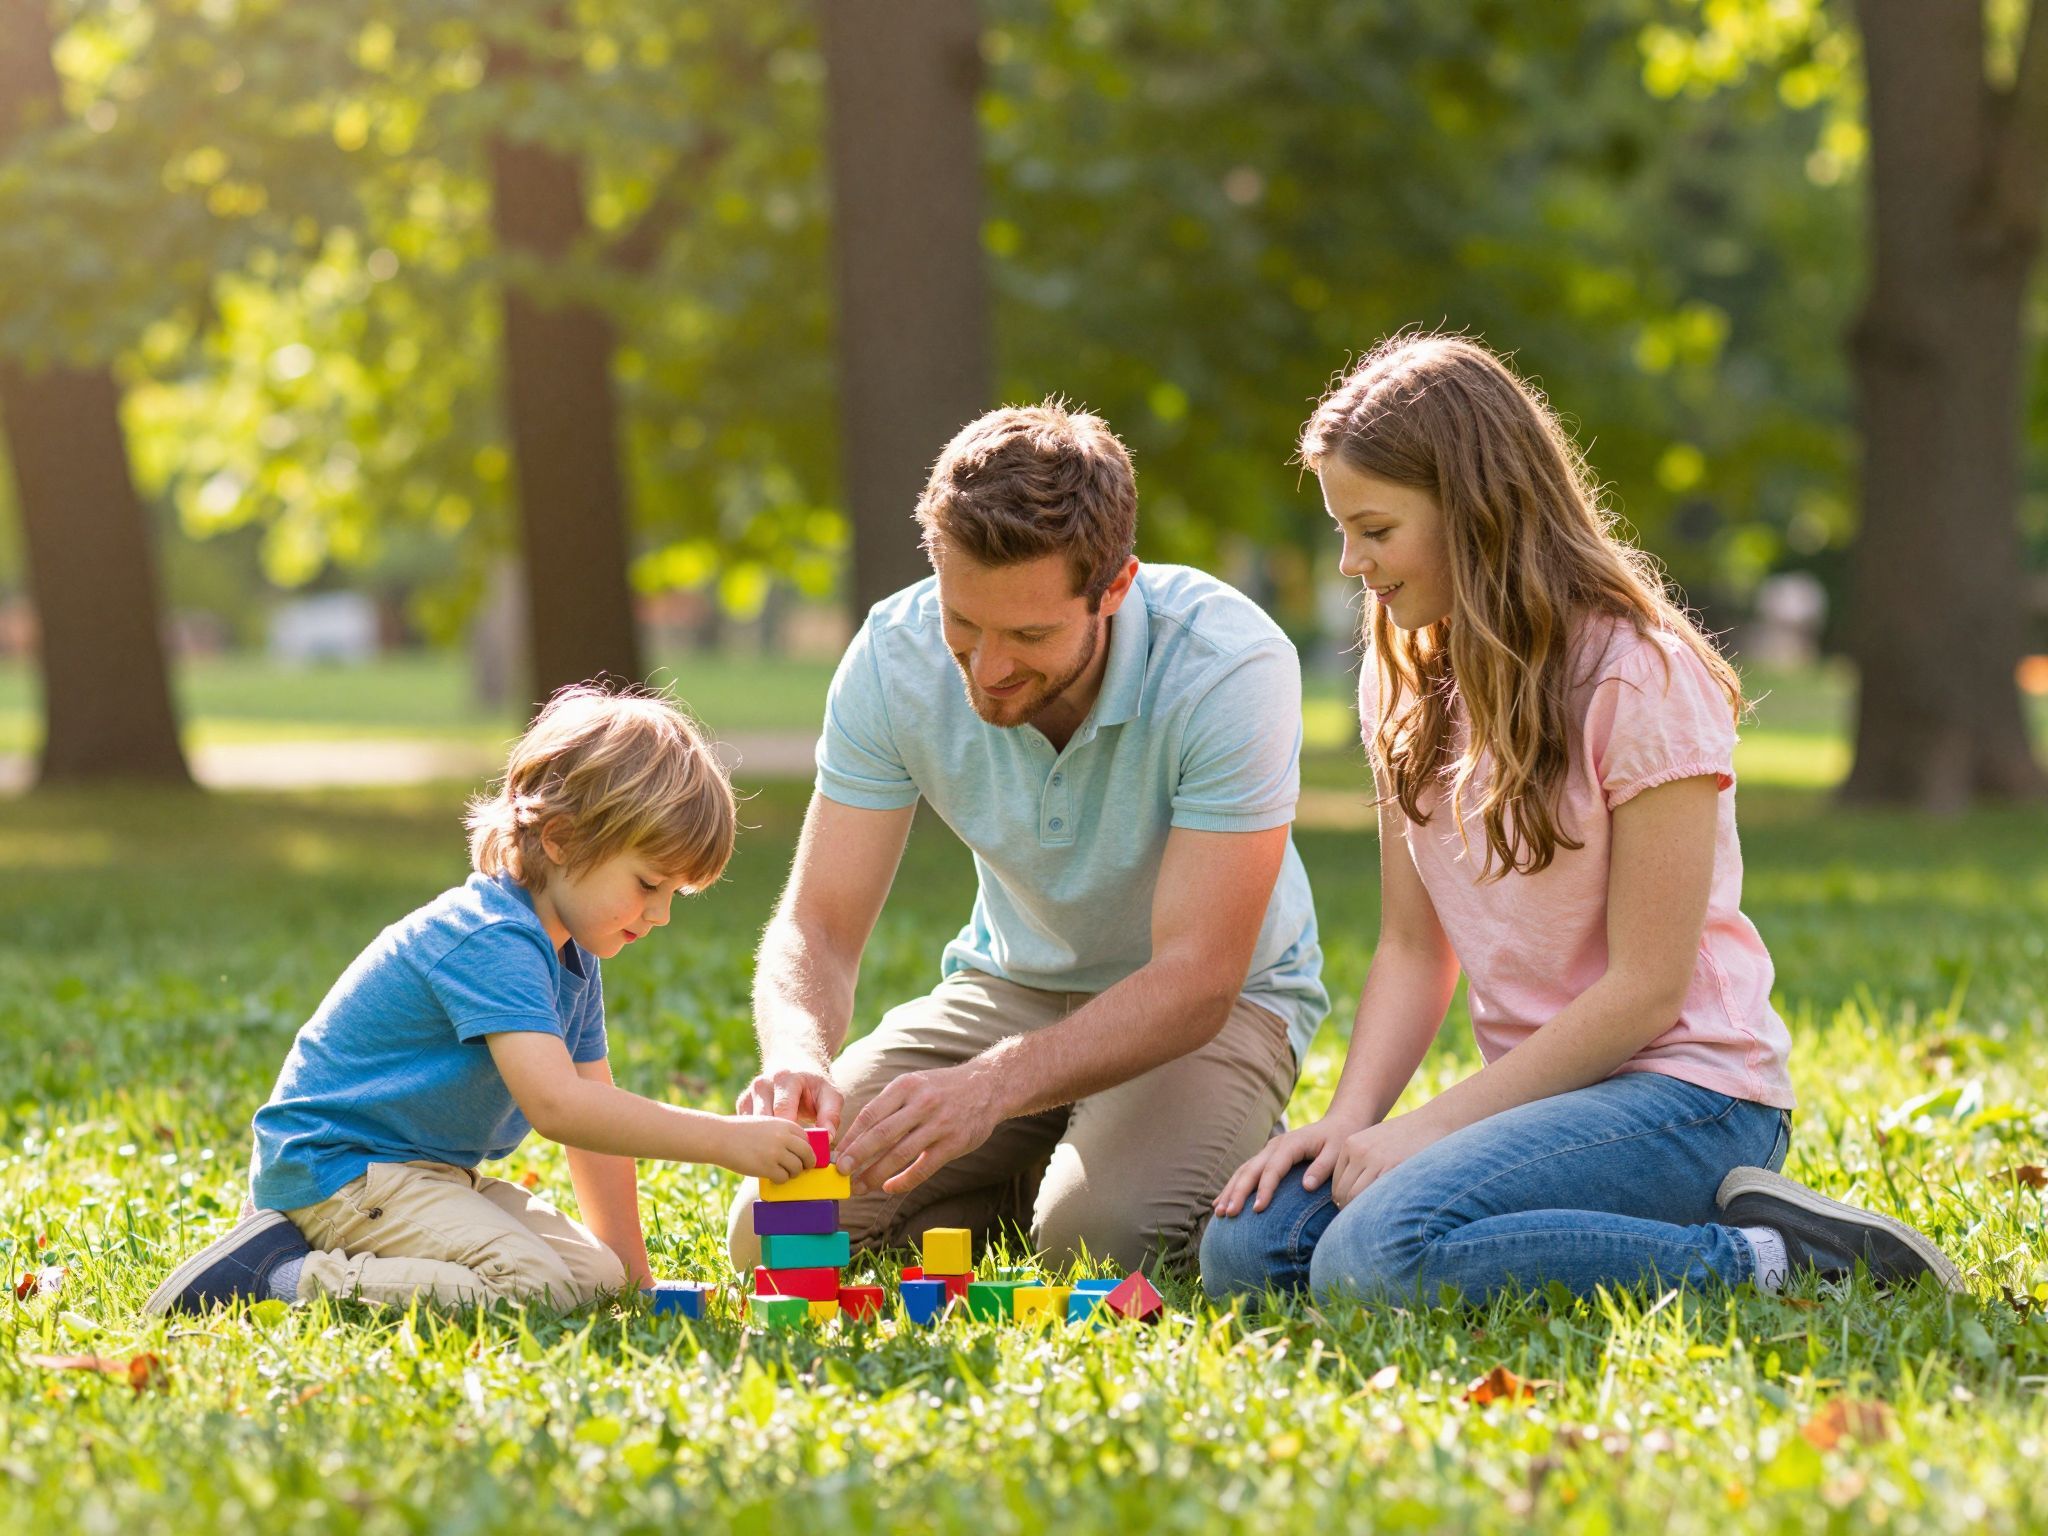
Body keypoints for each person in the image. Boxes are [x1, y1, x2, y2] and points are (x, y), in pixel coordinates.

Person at [1201, 334, 1960, 1304]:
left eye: (1375, 530)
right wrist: (1353, 1121)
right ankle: (1582, 1225)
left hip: (1686, 1096)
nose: (1350, 563)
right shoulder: (1401, 676)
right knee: (1249, 1251)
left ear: (1471, 510)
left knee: (1372, 1258)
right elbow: (1406, 946)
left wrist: (1429, 1130)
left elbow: (1646, 991)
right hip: (1540, 1095)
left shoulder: (1635, 674)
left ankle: (1785, 1260)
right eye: (1342, 532)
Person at [727, 401, 1328, 1274]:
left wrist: (992, 1089)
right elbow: (816, 924)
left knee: (1099, 1241)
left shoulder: (1227, 664)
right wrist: (797, 1056)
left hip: (1215, 1005)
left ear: (1115, 587)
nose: (990, 667)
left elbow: (1198, 976)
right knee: (775, 1233)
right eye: (964, 624)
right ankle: (1043, 1170)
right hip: (1013, 985)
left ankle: (1149, 1153)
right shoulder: (892, 658)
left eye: (1031, 634)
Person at [144, 686, 816, 1316]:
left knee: (597, 1280)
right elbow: (559, 1108)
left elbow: (597, 1132)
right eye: (647, 884)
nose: (661, 913)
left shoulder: (569, 952)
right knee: (533, 1286)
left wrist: (635, 1281)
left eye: (675, 894)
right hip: (339, 1175)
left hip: (420, 1175)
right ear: (561, 839)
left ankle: (318, 1263)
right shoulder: (491, 939)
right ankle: (275, 1279)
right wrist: (724, 1141)